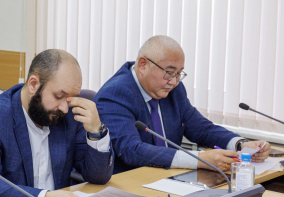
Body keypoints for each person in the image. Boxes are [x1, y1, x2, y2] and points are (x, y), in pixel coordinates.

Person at [0, 49, 114, 197]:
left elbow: (98, 177)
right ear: (33, 84)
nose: (65, 108)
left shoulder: (69, 116)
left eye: (69, 99)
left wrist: (96, 131)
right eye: (59, 96)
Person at [95, 35, 270, 174]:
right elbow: (131, 150)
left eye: (179, 74)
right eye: (169, 72)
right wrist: (200, 159)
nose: (174, 81)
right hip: (131, 183)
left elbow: (201, 128)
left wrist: (240, 144)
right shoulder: (115, 94)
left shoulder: (173, 90)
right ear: (143, 65)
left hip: (170, 178)